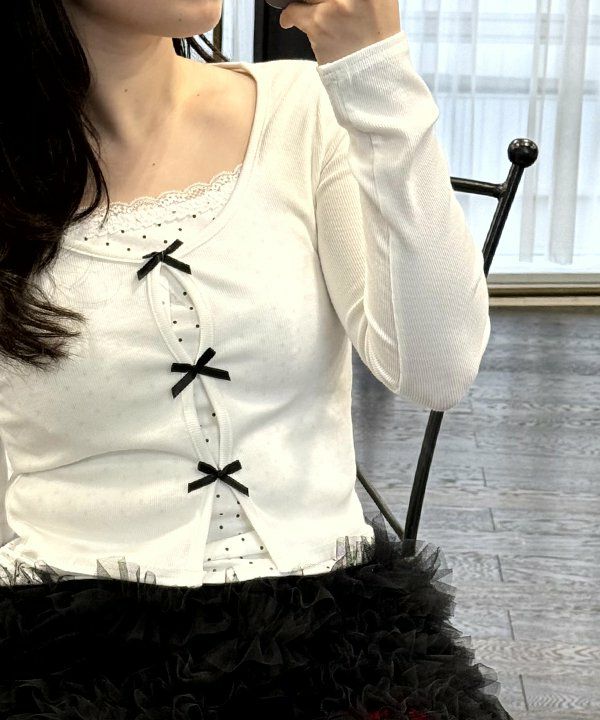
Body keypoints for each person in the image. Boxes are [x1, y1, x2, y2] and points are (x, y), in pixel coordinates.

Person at [0, 1, 512, 719]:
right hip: (65, 641)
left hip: (335, 632)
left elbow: (438, 369)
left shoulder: (301, 109)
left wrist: (375, 71)